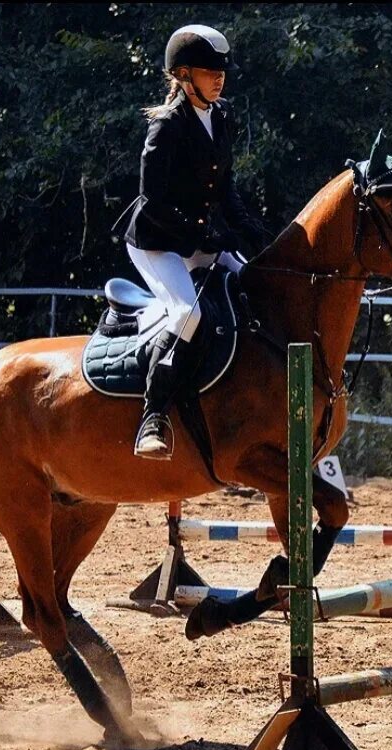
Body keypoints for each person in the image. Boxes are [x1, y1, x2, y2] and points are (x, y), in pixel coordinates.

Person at [123, 24, 269, 461]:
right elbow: (155, 203)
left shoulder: (221, 115)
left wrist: (253, 234)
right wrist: (207, 235)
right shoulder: (165, 127)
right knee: (187, 315)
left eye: (221, 70)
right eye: (209, 71)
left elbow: (225, 189)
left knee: (257, 288)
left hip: (202, 236)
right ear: (184, 76)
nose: (219, 77)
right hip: (158, 243)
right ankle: (153, 417)